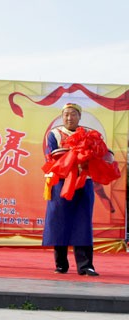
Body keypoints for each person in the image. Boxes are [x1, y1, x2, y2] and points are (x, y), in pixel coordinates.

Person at [42, 103, 109, 276]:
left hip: (83, 182)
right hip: (61, 183)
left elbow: (99, 154)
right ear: (62, 116)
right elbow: (52, 155)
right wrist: (76, 154)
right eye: (66, 115)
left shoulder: (88, 133)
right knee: (60, 221)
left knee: (83, 222)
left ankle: (85, 265)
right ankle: (61, 264)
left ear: (79, 116)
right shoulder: (54, 134)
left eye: (73, 114)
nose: (69, 118)